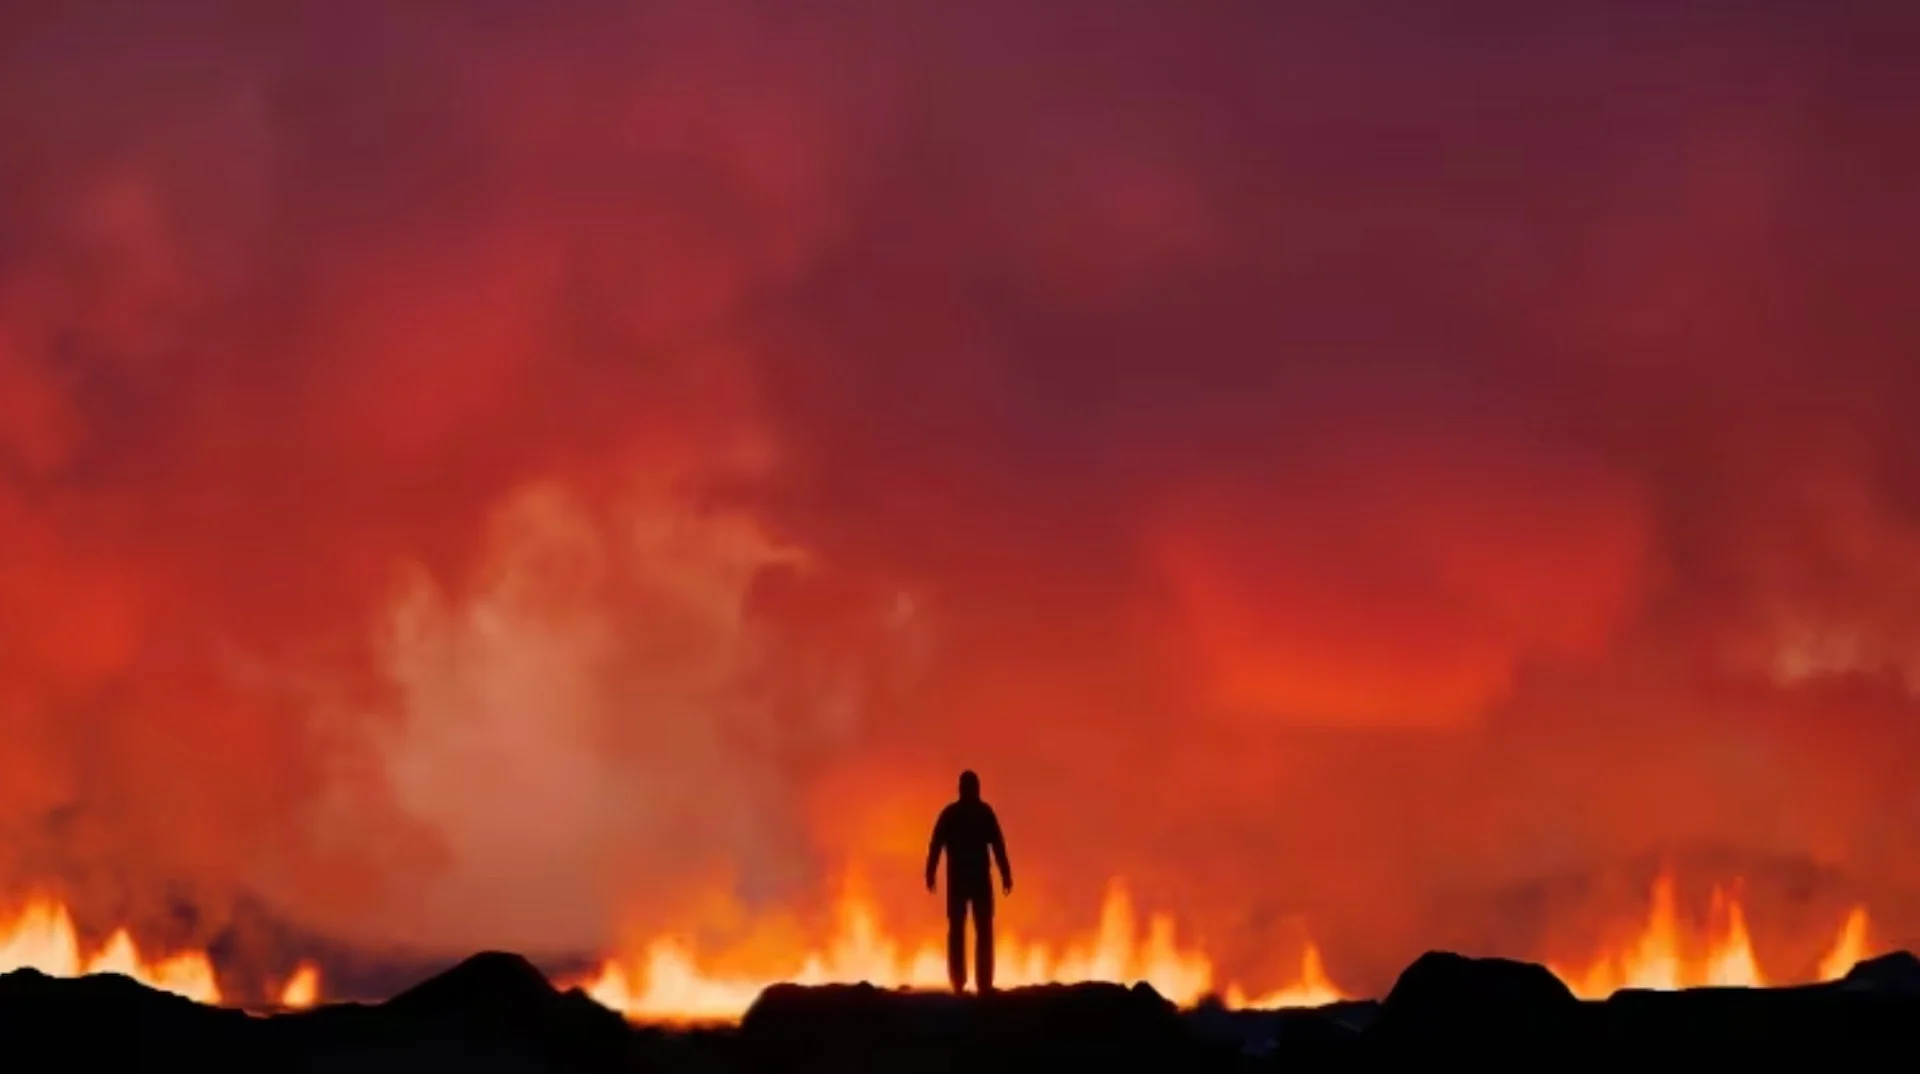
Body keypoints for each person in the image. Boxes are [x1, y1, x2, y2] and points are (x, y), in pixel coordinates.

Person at [924, 769, 1012, 993]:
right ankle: (982, 983)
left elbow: (936, 844)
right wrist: (1005, 874)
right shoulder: (983, 813)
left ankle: (959, 982)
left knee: (959, 930)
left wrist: (931, 872)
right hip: (978, 880)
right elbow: (998, 845)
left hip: (960, 881)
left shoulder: (952, 814)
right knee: (981, 931)